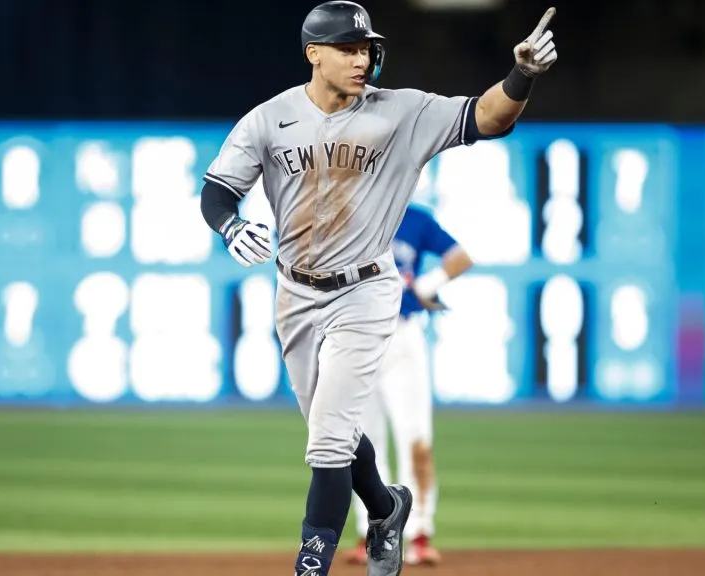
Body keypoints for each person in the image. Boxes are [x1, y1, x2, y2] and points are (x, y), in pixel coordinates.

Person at [198, 2, 558, 574]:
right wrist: (230, 225)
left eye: (366, 47)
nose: (361, 58)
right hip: (295, 294)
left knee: (327, 445)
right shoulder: (269, 119)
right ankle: (387, 505)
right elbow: (217, 189)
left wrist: (522, 76)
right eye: (347, 48)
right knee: (328, 424)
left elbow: (488, 118)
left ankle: (310, 565)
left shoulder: (401, 112)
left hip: (365, 291)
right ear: (314, 54)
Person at [345, 205, 473, 567]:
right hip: (355, 335)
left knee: (414, 437)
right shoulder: (349, 210)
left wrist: (424, 287)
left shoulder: (413, 217)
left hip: (402, 336)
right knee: (360, 444)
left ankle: (419, 534)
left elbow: (460, 258)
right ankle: (372, 535)